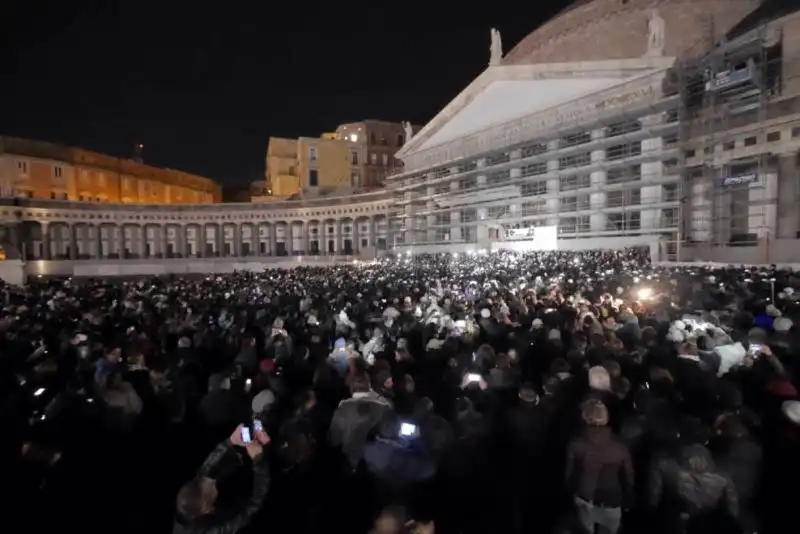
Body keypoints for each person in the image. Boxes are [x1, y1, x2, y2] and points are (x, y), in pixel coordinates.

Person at [173, 425, 271, 534]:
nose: (214, 482)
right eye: (212, 488)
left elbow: (204, 473)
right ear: (207, 509)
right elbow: (254, 504)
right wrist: (259, 461)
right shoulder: (217, 530)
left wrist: (230, 442)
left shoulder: (188, 509)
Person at [565, 399, 634, 534]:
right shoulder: (619, 445)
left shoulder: (576, 443)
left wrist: (569, 492)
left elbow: (569, 474)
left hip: (585, 499)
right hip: (612, 500)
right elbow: (628, 475)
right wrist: (628, 497)